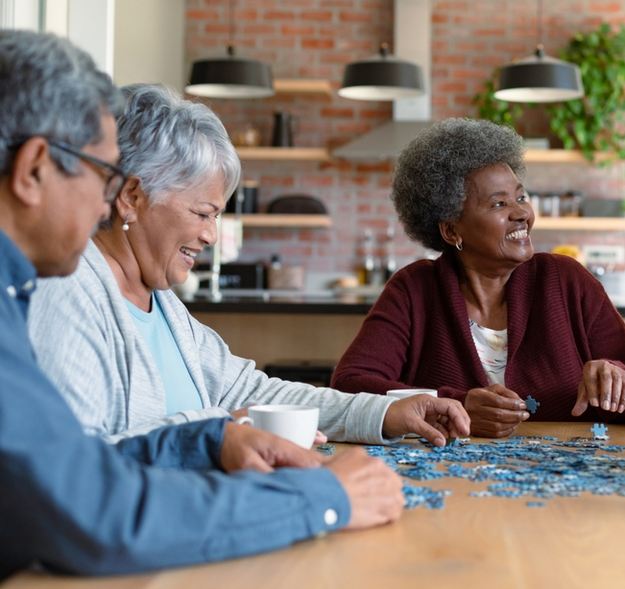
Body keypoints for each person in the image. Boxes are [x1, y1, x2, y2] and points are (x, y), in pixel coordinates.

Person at [0, 29, 446, 579]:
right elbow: (89, 502)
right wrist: (298, 484)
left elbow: (243, 394)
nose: (104, 201)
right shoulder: (53, 294)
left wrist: (376, 413)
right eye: (100, 175)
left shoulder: (147, 300)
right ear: (35, 170)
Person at [28, 83, 469, 448]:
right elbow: (71, 465)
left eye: (216, 216)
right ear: (132, 197)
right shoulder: (66, 292)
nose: (211, 235)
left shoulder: (161, 303)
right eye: (202, 213)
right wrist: (217, 431)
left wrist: (385, 411)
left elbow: (253, 394)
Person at [331, 118, 625, 437]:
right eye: (499, 203)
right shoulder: (414, 289)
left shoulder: (568, 279)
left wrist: (617, 378)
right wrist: (454, 406)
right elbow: (350, 385)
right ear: (452, 229)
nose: (522, 213)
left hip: (570, 475)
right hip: (448, 476)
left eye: (522, 197)